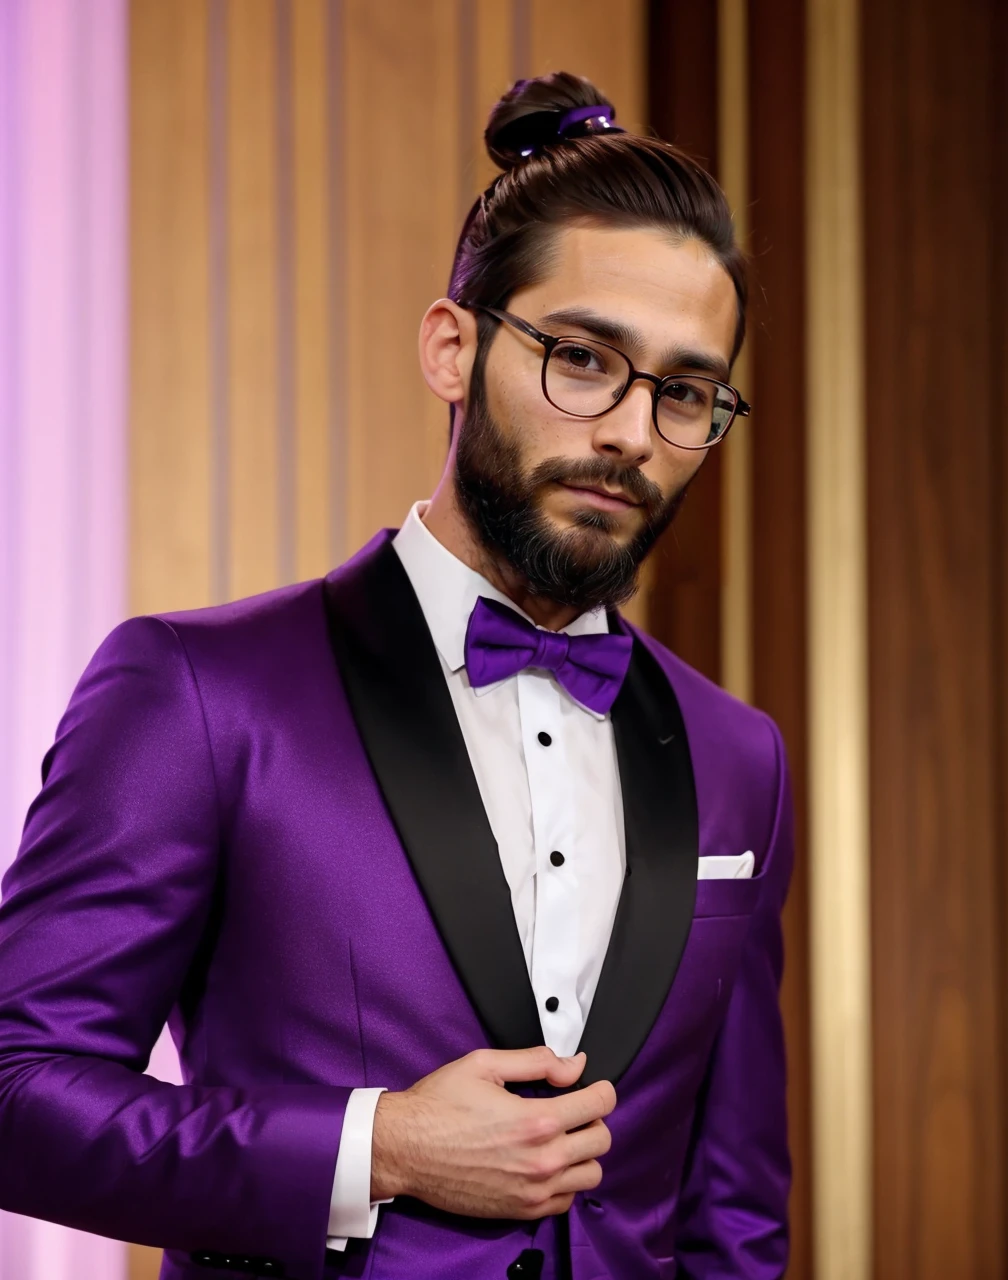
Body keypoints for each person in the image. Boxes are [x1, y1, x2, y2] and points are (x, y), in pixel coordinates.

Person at [0, 72, 792, 1280]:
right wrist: (378, 1146)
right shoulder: (198, 690)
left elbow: (731, 1217)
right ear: (451, 347)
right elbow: (18, 1091)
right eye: (582, 358)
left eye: (683, 391)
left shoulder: (742, 756)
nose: (631, 430)